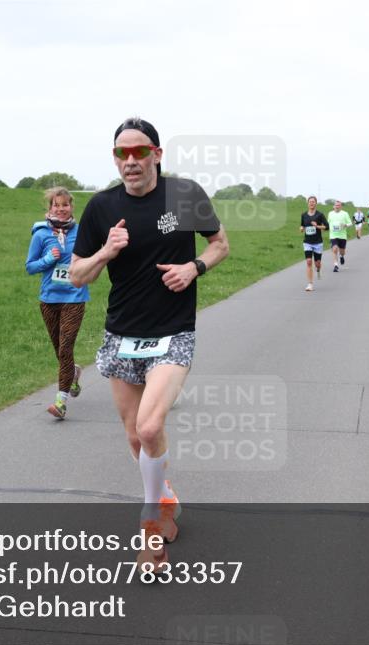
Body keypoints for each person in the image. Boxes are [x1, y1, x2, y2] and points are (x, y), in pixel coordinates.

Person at [70, 117, 229, 573]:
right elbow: (78, 274)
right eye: (122, 153)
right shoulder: (101, 208)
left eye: (140, 152)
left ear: (157, 154)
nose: (131, 161)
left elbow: (220, 244)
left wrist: (195, 267)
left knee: (150, 426)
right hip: (122, 335)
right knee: (132, 434)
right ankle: (166, 497)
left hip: (173, 330)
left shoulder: (185, 196)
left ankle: (150, 526)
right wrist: (105, 252)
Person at [26, 187, 89, 420]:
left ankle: (61, 402)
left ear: (72, 207)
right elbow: (30, 266)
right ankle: (73, 373)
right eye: (57, 205)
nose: (61, 209)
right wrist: (47, 259)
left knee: (65, 348)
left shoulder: (82, 233)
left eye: (65, 205)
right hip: (49, 299)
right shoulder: (41, 234)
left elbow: (94, 257)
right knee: (60, 351)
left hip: (75, 297)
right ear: (50, 208)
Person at [300, 196, 328, 290]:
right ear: (308, 203)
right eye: (310, 202)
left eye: (313, 202)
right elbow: (302, 225)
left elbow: (326, 227)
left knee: (317, 263)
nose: (311, 203)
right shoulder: (304, 215)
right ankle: (310, 284)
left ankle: (318, 268)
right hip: (307, 242)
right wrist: (301, 228)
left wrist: (317, 226)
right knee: (308, 262)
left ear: (316, 203)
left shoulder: (320, 215)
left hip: (317, 243)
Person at [326, 200, 351, 271]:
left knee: (342, 251)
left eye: (338, 205)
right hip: (333, 235)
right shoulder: (330, 213)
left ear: (341, 206)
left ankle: (341, 256)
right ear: (333, 206)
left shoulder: (345, 213)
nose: (337, 206)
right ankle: (336, 265)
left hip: (342, 236)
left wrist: (345, 225)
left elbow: (350, 223)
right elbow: (328, 222)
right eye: (336, 205)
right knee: (334, 249)